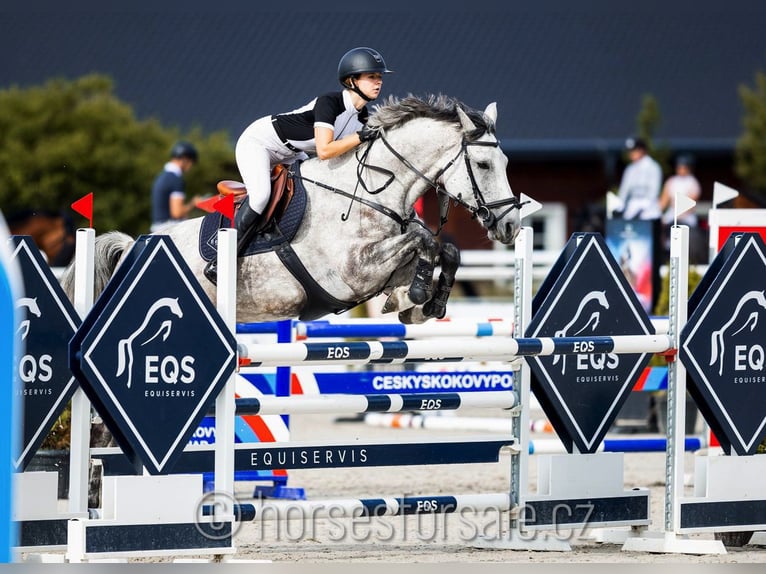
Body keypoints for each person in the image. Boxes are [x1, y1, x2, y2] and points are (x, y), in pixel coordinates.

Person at [203, 46, 392, 283]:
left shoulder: (362, 117)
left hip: (293, 154)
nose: (378, 82)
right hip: (260, 143)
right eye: (372, 76)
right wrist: (361, 137)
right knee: (261, 196)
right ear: (351, 80)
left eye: (380, 77)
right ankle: (221, 261)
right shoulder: (330, 103)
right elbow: (324, 151)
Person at [659, 153, 704, 261]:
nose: (681, 169)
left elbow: (691, 203)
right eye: (679, 167)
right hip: (671, 215)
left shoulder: (693, 183)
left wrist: (678, 215)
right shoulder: (671, 182)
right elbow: (663, 201)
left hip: (686, 217)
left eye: (684, 167)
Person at [150, 141, 199, 232]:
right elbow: (177, 212)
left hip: (156, 228)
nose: (190, 166)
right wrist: (193, 203)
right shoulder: (175, 179)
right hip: (168, 230)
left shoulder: (162, 176)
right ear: (185, 159)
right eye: (191, 162)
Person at [615, 137, 662, 220]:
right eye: (630, 151)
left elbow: (654, 191)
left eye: (634, 150)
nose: (631, 153)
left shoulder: (653, 167)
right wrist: (620, 205)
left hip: (649, 207)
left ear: (642, 150)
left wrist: (644, 207)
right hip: (633, 204)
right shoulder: (630, 169)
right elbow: (624, 190)